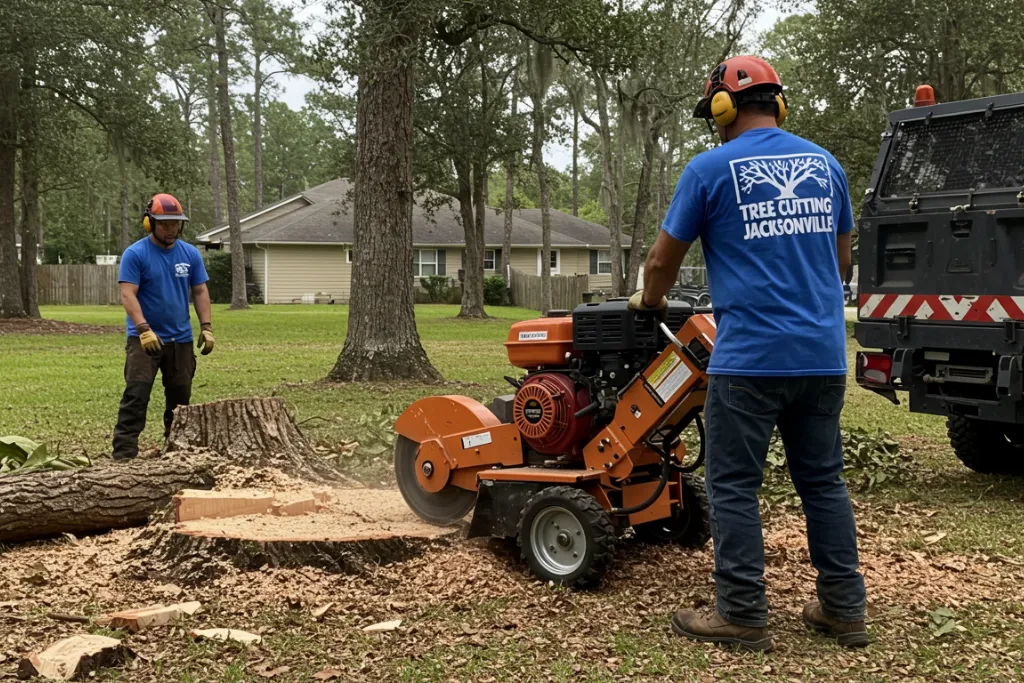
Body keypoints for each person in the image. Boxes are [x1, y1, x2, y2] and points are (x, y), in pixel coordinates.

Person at [628, 56, 867, 652]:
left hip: (751, 361)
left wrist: (649, 304)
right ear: (778, 104)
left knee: (734, 485)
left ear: (723, 108)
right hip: (822, 357)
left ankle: (742, 614)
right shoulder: (826, 164)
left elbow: (661, 263)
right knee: (823, 482)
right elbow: (841, 263)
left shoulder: (709, 169)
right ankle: (844, 609)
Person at [111, 193, 214, 460]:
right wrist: (143, 329)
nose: (171, 229)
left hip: (181, 340)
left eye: (175, 223)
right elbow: (127, 294)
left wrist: (206, 326)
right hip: (144, 340)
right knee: (136, 395)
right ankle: (124, 456)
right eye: (165, 223)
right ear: (150, 223)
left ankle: (176, 452)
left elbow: (200, 291)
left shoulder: (190, 254)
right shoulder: (136, 254)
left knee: (180, 401)